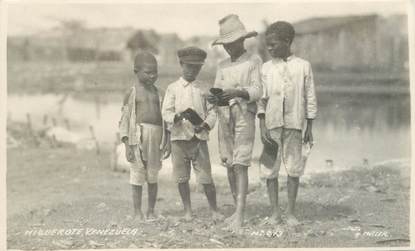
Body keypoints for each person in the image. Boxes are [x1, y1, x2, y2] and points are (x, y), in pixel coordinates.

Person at [257, 21, 317, 226]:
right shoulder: (266, 68)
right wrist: (262, 125)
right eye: (268, 44)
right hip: (272, 125)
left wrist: (310, 126)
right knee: (269, 169)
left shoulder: (303, 66)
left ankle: (291, 213)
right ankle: (275, 213)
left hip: (295, 124)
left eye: (273, 44)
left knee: (294, 169)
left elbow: (310, 97)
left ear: (287, 41)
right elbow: (262, 99)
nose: (269, 48)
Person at [209, 14, 263, 232]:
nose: (230, 48)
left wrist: (238, 92)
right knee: (230, 164)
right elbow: (217, 88)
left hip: (243, 115)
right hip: (224, 116)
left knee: (241, 164)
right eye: (226, 45)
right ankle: (235, 209)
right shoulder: (222, 65)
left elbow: (258, 90)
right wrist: (214, 97)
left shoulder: (254, 61)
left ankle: (241, 213)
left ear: (243, 40)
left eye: (234, 43)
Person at [162, 46, 223, 221]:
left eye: (196, 67)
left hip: (199, 139)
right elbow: (165, 112)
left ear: (201, 68)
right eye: (189, 66)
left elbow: (213, 112)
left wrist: (204, 125)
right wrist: (177, 117)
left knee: (206, 177)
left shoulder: (204, 88)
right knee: (182, 178)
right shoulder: (172, 88)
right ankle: (187, 211)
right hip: (179, 138)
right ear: (181, 64)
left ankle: (214, 210)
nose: (192, 70)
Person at [119, 51, 171, 221]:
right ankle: (136, 211)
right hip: (138, 136)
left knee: (153, 175)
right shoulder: (132, 93)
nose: (152, 76)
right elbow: (125, 120)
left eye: (155, 72)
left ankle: (150, 210)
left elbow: (166, 120)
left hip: (156, 137)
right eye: (148, 72)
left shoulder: (160, 94)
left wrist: (168, 141)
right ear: (136, 71)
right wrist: (127, 145)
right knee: (137, 174)